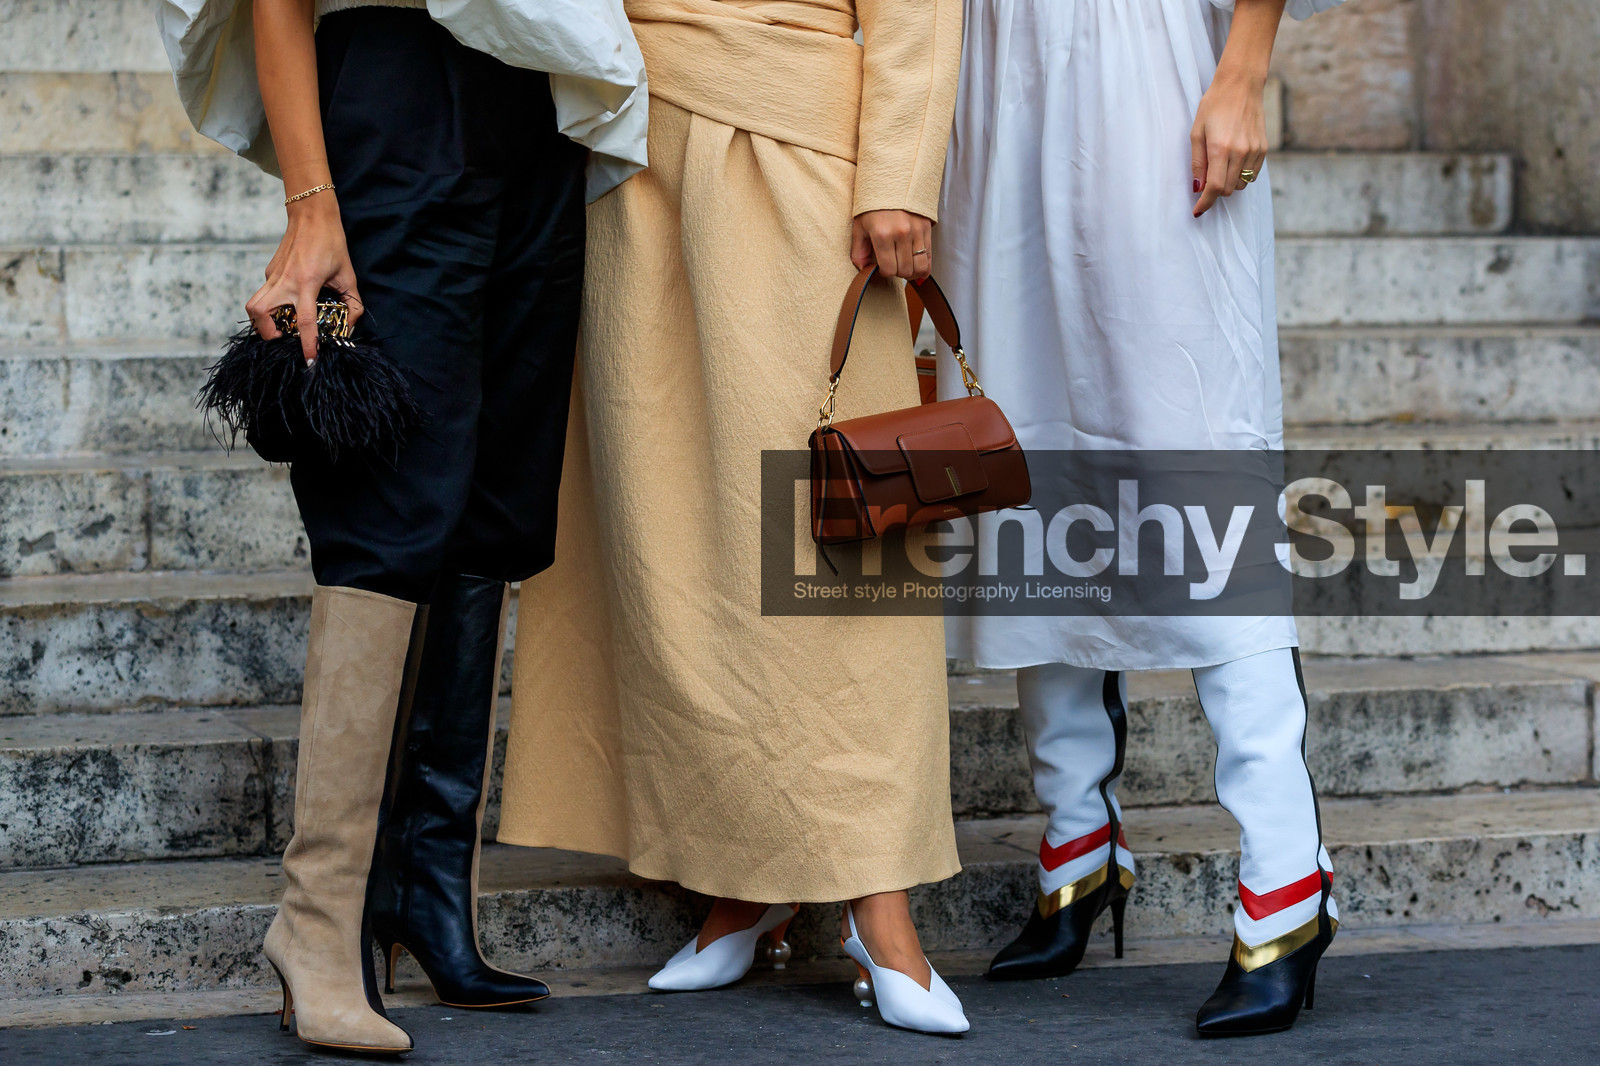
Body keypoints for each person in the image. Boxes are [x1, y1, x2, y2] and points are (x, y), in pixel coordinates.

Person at [159, 0, 647, 1052]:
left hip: (537, 100)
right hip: (394, 85)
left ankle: (426, 897)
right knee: (388, 501)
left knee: (489, 504)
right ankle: (321, 919)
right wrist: (310, 203)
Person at [494, 0, 971, 1036]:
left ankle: (875, 897)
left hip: (803, 157)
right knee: (672, 540)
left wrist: (895, 174)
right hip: (633, 152)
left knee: (835, 546)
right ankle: (744, 880)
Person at [936, 0, 1346, 1037]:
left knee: (1197, 465)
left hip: (1153, 69)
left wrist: (1242, 73)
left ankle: (1286, 883)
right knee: (1027, 459)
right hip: (991, 83)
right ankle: (1077, 840)